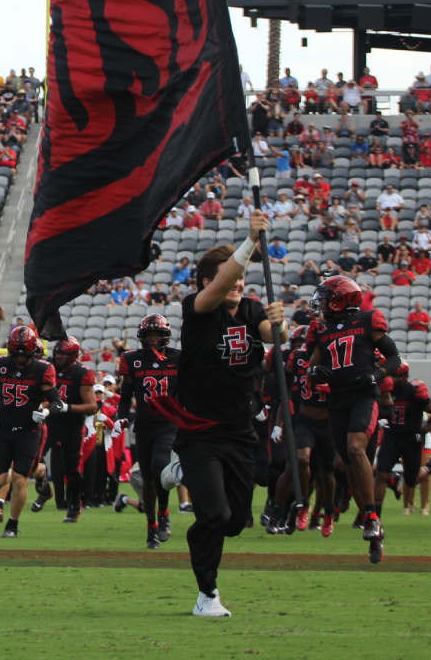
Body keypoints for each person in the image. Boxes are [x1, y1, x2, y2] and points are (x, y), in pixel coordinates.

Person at [165, 210, 284, 618]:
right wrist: (250, 242)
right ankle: (206, 594)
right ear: (208, 282)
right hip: (200, 430)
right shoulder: (197, 308)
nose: (238, 284)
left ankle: (179, 472)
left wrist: (280, 324)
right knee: (213, 515)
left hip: (240, 430)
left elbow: (273, 338)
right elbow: (221, 283)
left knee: (235, 522)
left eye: (242, 279)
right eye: (230, 278)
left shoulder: (250, 311)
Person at [306, 276, 398, 562]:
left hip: (363, 396)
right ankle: (374, 529)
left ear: (340, 298)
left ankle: (371, 517)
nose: (321, 303)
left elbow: (393, 358)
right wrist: (315, 373)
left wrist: (377, 375)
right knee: (346, 465)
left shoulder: (369, 320)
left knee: (356, 449)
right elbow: (311, 368)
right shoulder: (324, 331)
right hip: (337, 401)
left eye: (325, 297)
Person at [0, 324, 65, 539]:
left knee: (19, 479)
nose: (20, 358)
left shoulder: (42, 369)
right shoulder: (0, 364)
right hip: (3, 428)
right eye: (17, 353)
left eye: (25, 354)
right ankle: (38, 472)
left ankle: (12, 524)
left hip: (28, 431)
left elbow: (56, 401)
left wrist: (45, 412)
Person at [115, 314, 181, 547]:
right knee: (149, 479)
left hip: (168, 424)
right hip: (143, 426)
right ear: (143, 337)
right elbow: (125, 397)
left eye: (157, 334)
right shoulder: (132, 359)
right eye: (149, 335)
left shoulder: (178, 358)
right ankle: (151, 526)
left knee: (159, 467)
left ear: (165, 336)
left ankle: (163, 513)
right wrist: (122, 418)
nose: (153, 339)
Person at [41, 337, 97, 524]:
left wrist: (66, 407)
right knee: (34, 456)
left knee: (71, 469)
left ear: (73, 355)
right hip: (50, 420)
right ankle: (45, 489)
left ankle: (74, 505)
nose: (60, 357)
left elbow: (91, 407)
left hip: (71, 424)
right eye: (58, 353)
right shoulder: (49, 366)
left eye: (64, 354)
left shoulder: (82, 373)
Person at [374, 364, 431, 517]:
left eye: (393, 375)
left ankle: (429, 468)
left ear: (403, 376)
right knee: (381, 473)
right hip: (392, 437)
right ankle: (375, 517)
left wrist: (423, 433)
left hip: (411, 439)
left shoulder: (414, 391)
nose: (389, 379)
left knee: (411, 481)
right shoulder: (384, 389)